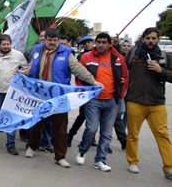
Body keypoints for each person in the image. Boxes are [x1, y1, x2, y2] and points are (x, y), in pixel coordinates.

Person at [23, 28, 100, 167]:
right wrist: (23, 73)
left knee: (60, 128)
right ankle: (32, 146)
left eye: (55, 40)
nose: (52, 43)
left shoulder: (66, 53)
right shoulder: (37, 50)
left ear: (58, 40)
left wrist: (93, 81)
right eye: (49, 40)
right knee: (36, 124)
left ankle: (60, 156)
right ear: (44, 39)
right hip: (40, 95)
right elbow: (33, 69)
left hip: (59, 97)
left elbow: (78, 69)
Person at [74, 32, 128, 172]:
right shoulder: (86, 57)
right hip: (93, 101)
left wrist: (120, 95)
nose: (101, 45)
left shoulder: (118, 58)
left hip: (112, 101)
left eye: (104, 42)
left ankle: (100, 160)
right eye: (99, 42)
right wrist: (83, 94)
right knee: (91, 129)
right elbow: (79, 76)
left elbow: (124, 78)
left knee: (107, 133)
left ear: (110, 44)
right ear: (95, 43)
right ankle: (82, 151)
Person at [124, 27, 172, 179]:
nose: (150, 41)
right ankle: (132, 162)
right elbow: (123, 70)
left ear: (158, 40)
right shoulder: (132, 54)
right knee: (133, 134)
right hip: (135, 100)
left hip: (157, 102)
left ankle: (169, 167)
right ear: (143, 39)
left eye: (153, 38)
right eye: (148, 38)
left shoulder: (166, 56)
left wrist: (160, 70)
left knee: (162, 134)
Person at [0, 34, 28, 155]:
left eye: (8, 44)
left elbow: (27, 68)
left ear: (11, 44)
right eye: (4, 44)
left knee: (12, 117)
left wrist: (22, 71)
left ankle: (11, 145)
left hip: (12, 92)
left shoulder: (18, 55)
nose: (6, 46)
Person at [68, 36, 95, 145]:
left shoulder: (99, 55)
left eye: (89, 42)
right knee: (83, 115)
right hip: (86, 89)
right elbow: (79, 73)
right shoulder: (82, 56)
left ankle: (91, 138)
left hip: (96, 89)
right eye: (85, 43)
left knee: (95, 116)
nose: (87, 44)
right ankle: (70, 135)